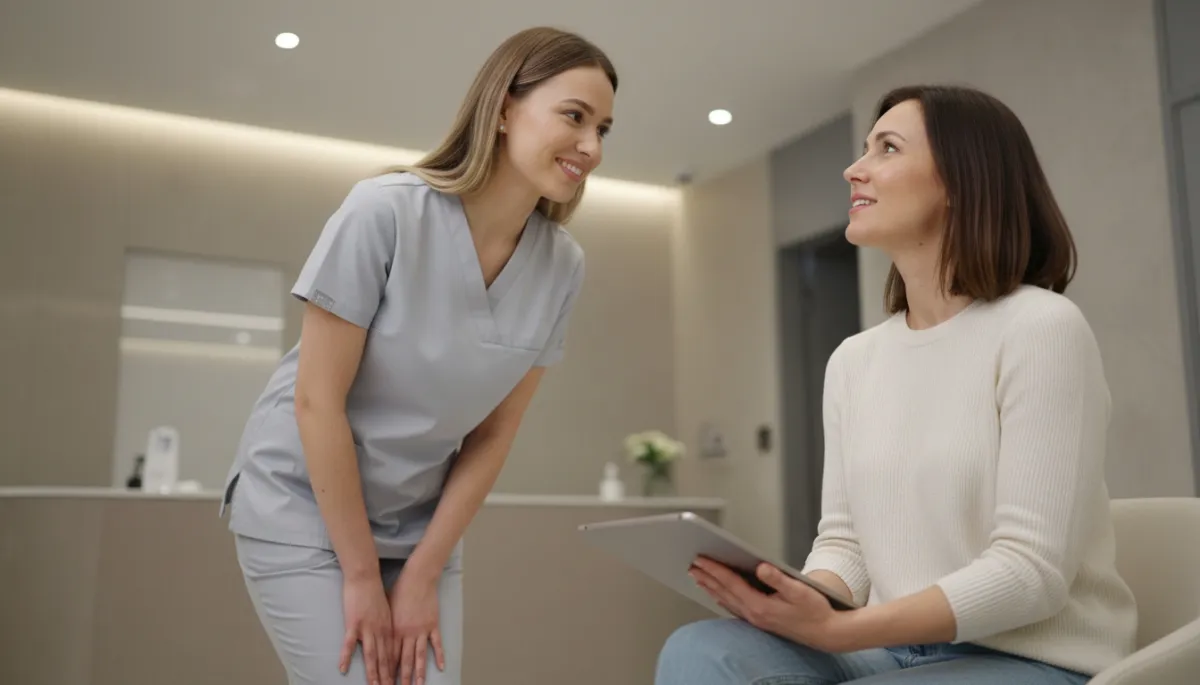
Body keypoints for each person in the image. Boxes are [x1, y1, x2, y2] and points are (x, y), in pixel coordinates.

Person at [655, 84, 1139, 684]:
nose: (854, 169)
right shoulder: (855, 361)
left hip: (1029, 658)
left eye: (886, 148)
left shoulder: (1040, 328)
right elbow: (846, 547)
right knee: (701, 651)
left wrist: (842, 631)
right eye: (865, 148)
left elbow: (1029, 574)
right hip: (894, 650)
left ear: (963, 182)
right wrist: (797, 603)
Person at [219, 26, 617, 685]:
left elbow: (494, 434)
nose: (591, 147)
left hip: (419, 531)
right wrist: (358, 575)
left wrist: (423, 570)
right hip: (302, 506)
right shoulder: (385, 211)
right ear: (503, 108)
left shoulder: (562, 266)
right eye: (574, 117)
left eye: (603, 127)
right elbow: (317, 400)